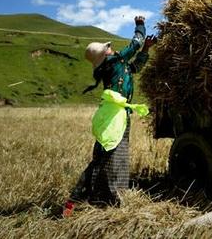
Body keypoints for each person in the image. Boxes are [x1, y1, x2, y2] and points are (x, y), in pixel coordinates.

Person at [63, 16, 156, 217]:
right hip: (114, 118)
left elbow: (134, 68)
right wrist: (140, 25)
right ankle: (79, 200)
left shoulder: (116, 66)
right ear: (105, 55)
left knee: (113, 158)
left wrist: (147, 49)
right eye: (108, 48)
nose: (111, 48)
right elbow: (135, 44)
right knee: (108, 158)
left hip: (118, 116)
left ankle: (102, 198)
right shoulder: (114, 61)